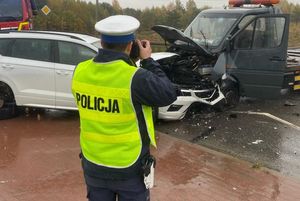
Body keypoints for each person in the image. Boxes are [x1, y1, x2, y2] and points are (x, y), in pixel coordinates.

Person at [72, 15, 178, 201]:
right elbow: (168, 93)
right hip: (128, 168)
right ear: (130, 46)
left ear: (102, 42)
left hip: (93, 165)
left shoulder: (79, 71)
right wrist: (147, 60)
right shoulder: (135, 78)